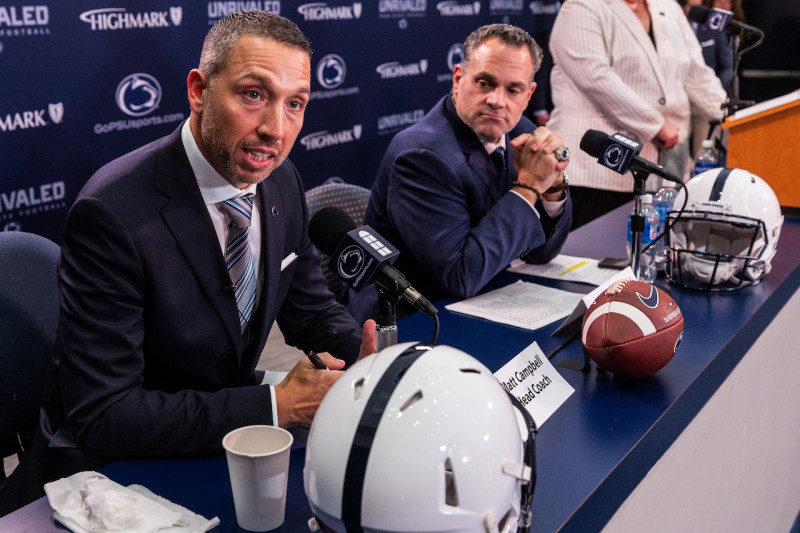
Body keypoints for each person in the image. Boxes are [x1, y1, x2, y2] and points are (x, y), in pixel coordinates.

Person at [0, 10, 375, 515]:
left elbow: (310, 310)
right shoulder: (111, 214)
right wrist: (277, 406)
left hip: (217, 437)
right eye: (253, 94)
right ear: (198, 90)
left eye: (296, 104)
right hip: (113, 475)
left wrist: (369, 361)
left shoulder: (280, 182)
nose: (275, 129)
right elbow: (104, 416)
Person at [348, 24, 572, 323]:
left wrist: (553, 187)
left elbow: (541, 253)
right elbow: (460, 276)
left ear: (529, 94)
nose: (497, 100)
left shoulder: (523, 133)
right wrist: (529, 188)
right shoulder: (421, 155)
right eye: (484, 83)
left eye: (513, 89)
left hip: (484, 299)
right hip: (411, 319)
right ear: (458, 79)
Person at [547, 0, 727, 229]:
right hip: (597, 177)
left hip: (656, 177)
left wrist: (732, 117)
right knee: (595, 260)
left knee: (646, 258)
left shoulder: (667, 6)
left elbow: (696, 73)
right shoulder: (582, 6)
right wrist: (656, 125)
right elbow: (595, 77)